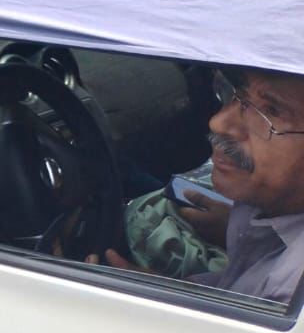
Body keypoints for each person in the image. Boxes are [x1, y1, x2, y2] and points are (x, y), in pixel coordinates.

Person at [100, 66, 304, 303]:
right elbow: (235, 292)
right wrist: (240, 233)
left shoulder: (290, 292)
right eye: (237, 94)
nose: (218, 122)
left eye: (272, 111)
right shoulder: (268, 209)